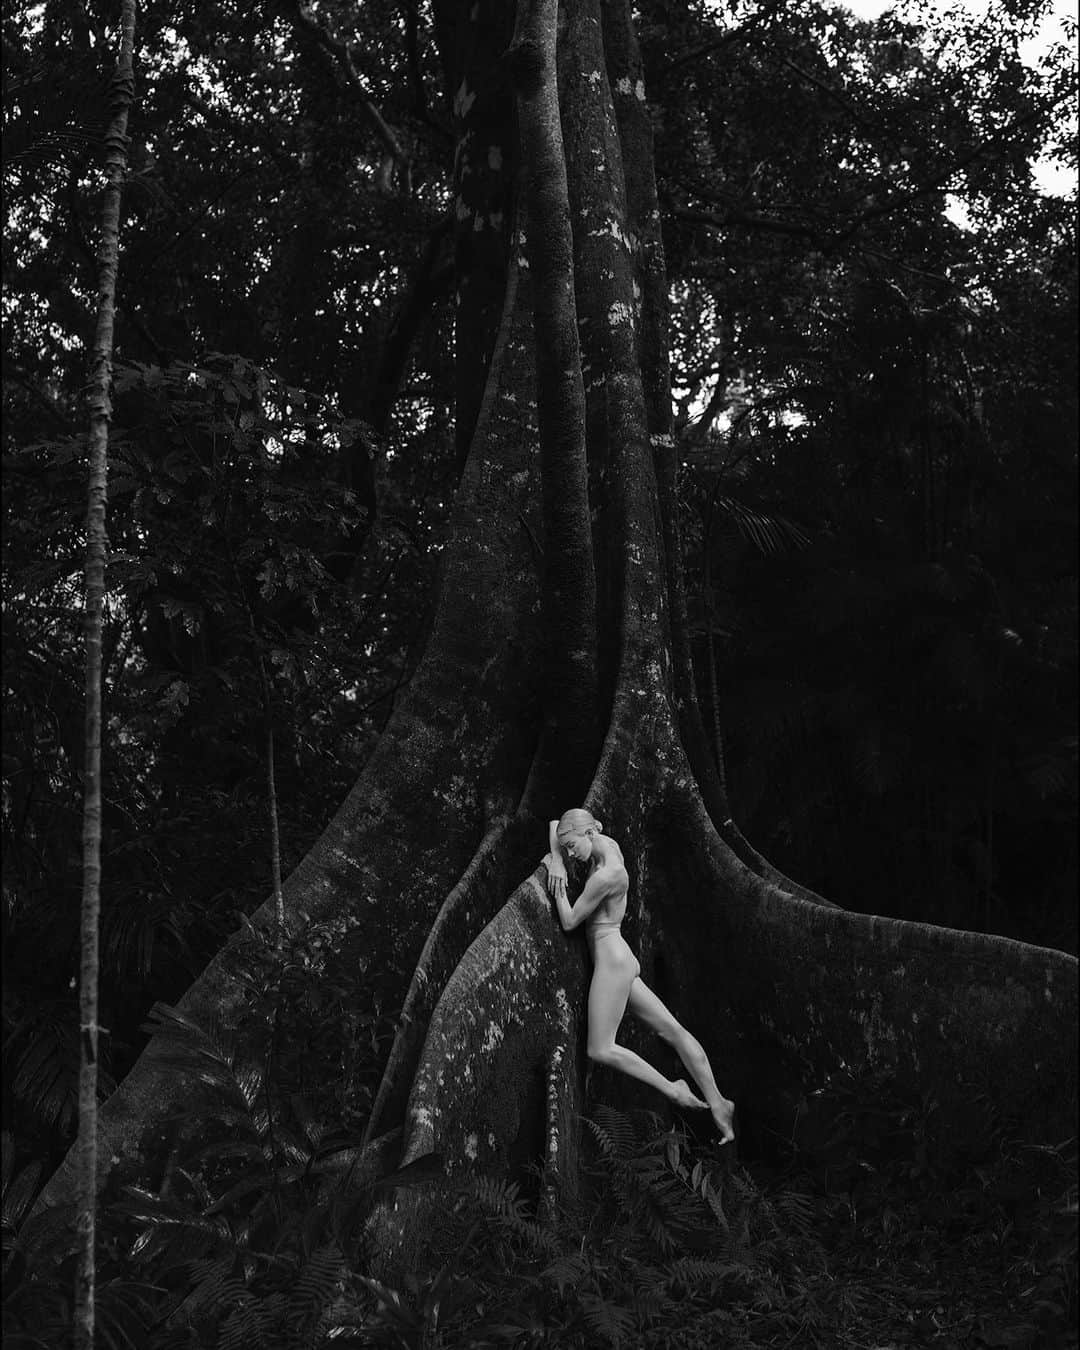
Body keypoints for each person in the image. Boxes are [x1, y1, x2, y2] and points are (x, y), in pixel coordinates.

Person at [543, 808, 736, 1144]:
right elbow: (554, 825)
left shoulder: (607, 875)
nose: (572, 855)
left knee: (600, 1049)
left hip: (612, 962)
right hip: (620, 954)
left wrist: (555, 878)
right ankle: (720, 1103)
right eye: (568, 848)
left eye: (573, 847)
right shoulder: (606, 844)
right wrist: (559, 859)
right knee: (672, 1030)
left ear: (589, 834)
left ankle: (672, 1089)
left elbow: (571, 921)